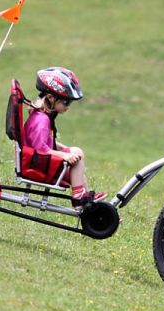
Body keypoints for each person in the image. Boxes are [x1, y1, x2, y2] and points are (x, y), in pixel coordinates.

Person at [23, 66, 107, 208]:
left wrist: (64, 149)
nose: (68, 106)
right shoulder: (41, 121)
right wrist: (63, 155)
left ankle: (90, 204)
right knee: (77, 155)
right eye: (65, 101)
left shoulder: (41, 116)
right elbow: (40, 149)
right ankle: (79, 199)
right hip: (38, 165)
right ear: (50, 97)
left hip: (40, 162)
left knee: (75, 155)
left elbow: (45, 142)